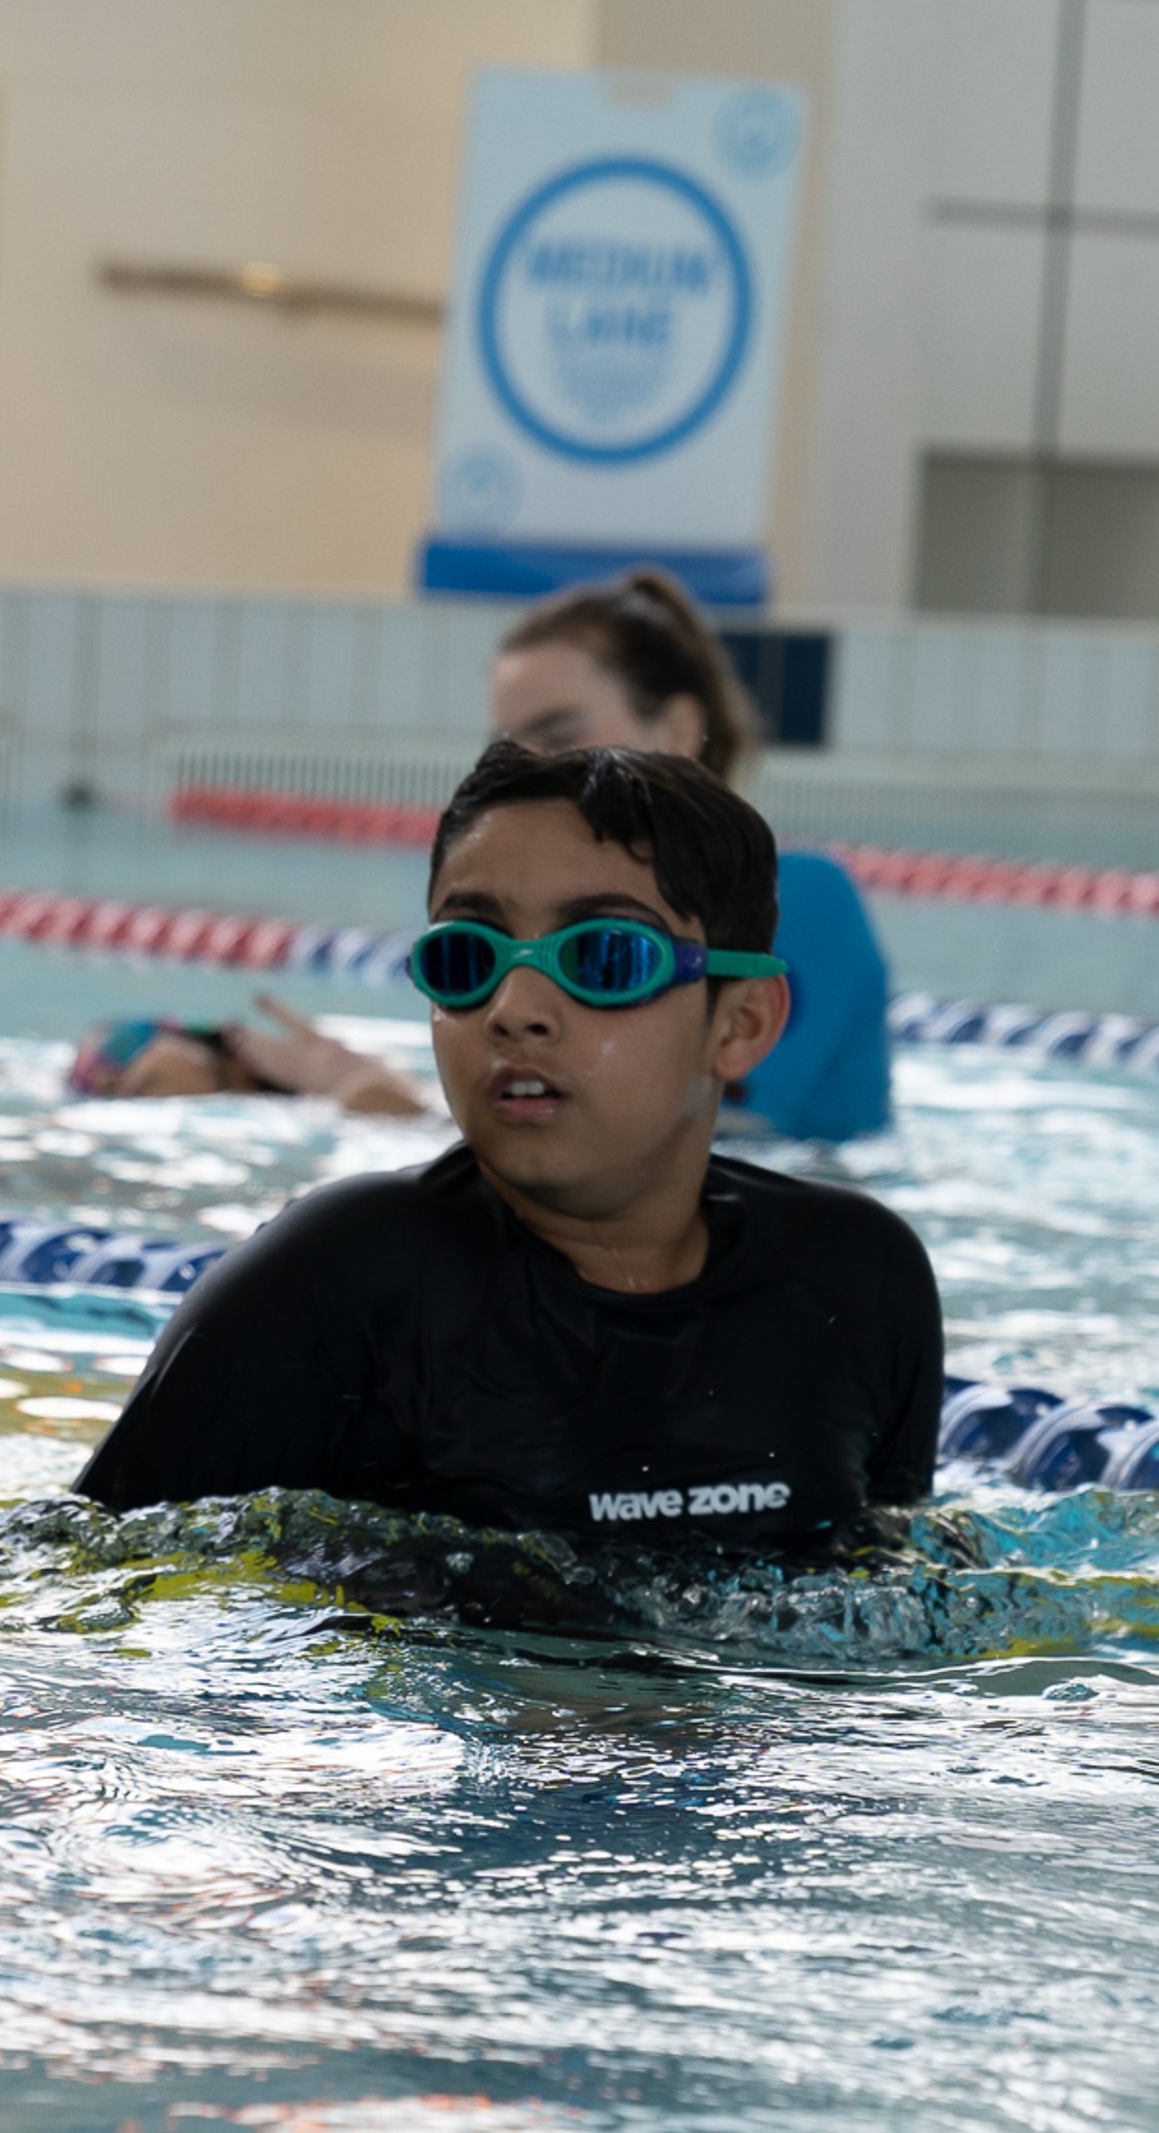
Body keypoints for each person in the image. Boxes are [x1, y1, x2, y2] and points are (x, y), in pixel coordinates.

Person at [73, 742, 941, 1543]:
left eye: (604, 957)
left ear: (742, 1022)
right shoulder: (341, 1281)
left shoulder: (855, 1279)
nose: (513, 1006)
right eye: (467, 957)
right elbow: (80, 1587)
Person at [489, 566, 892, 1142]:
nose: (524, 772)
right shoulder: (554, 924)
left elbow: (715, 1136)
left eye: (557, 736)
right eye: (508, 747)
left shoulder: (796, 896)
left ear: (677, 729)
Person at [68, 997, 428, 1114]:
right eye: (100, 1088)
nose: (106, 1075)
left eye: (121, 1046)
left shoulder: (350, 1092)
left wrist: (350, 1079)